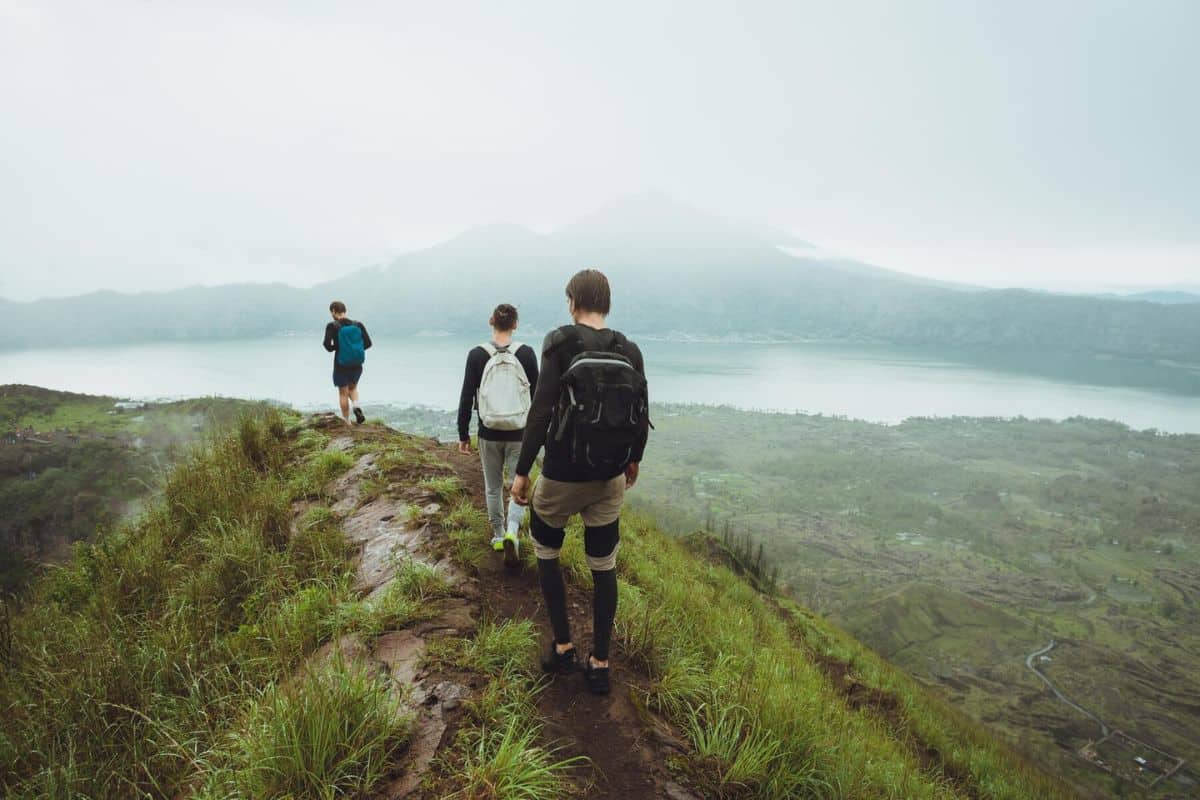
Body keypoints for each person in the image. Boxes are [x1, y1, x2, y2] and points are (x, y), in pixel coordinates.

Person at [511, 269, 649, 695]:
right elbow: (641, 411)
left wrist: (522, 471)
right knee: (603, 567)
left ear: (573, 302)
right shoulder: (629, 349)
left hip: (563, 475)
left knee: (546, 550)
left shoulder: (560, 343)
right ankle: (601, 662)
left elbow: (541, 411)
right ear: (606, 304)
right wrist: (633, 460)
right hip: (609, 476)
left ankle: (565, 646)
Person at [456, 303, 538, 565]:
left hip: (488, 432)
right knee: (518, 483)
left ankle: (499, 535)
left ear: (492, 323)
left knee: (492, 487)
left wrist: (463, 433)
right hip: (519, 432)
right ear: (515, 324)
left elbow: (467, 396)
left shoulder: (477, 354)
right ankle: (514, 532)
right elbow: (537, 398)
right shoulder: (526, 354)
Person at [323, 301, 372, 425]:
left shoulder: (332, 326)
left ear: (333, 311)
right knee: (353, 388)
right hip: (357, 364)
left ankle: (347, 421)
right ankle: (356, 406)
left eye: (331, 312)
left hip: (341, 364)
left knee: (343, 393)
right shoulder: (358, 324)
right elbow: (368, 343)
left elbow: (327, 346)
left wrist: (338, 348)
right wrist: (355, 349)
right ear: (345, 311)